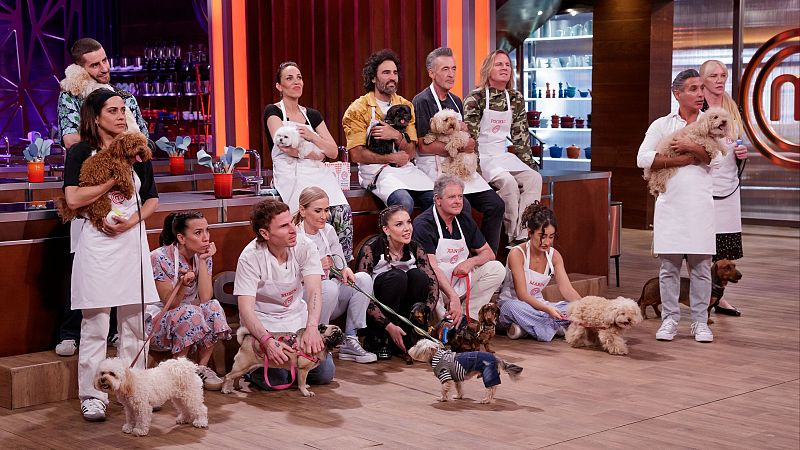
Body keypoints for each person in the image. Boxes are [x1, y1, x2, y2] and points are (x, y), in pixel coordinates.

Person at [63, 89, 159, 421]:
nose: (121, 115)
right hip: (97, 242)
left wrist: (131, 221)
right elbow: (73, 199)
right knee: (95, 325)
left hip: (131, 240)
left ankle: (135, 391)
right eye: (113, 110)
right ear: (96, 116)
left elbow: (151, 199)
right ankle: (92, 395)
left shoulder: (137, 149)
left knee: (134, 324)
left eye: (123, 110)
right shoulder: (80, 152)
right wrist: (111, 181)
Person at [55, 37, 149, 357]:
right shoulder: (70, 96)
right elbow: (71, 139)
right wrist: (108, 143)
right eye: (95, 65)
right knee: (84, 266)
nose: (104, 68)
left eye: (105, 61)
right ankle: (71, 331)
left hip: (126, 188)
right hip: (88, 182)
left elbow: (141, 142)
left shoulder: (124, 97)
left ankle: (114, 335)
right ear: (80, 70)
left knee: (123, 273)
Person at [636, 69, 717, 343]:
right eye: (693, 89)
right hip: (670, 206)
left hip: (700, 207)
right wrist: (677, 161)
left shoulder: (713, 122)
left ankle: (700, 322)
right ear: (678, 93)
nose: (700, 94)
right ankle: (669, 319)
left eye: (701, 89)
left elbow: (717, 160)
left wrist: (690, 146)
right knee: (669, 268)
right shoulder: (662, 124)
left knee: (701, 268)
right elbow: (642, 158)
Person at [412, 47, 505, 254]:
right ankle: (464, 258)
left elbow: (466, 136)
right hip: (435, 168)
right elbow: (423, 145)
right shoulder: (422, 101)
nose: (451, 74)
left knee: (496, 205)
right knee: (463, 208)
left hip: (461, 167)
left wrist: (467, 143)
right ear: (431, 73)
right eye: (445, 69)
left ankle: (488, 259)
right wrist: (457, 147)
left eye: (453, 68)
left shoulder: (456, 100)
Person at [233, 199, 334, 389]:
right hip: (266, 325)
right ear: (265, 233)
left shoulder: (305, 246)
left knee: (324, 374)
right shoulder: (250, 257)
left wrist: (312, 328)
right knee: (276, 380)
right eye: (284, 226)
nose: (293, 229)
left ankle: (293, 369)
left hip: (297, 322)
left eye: (292, 222)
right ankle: (253, 369)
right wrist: (267, 342)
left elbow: (314, 290)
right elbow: (246, 310)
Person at [265, 61, 355, 261]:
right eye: (289, 78)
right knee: (305, 216)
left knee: (341, 211)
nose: (296, 82)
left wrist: (312, 137)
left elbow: (332, 151)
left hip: (318, 171)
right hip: (291, 172)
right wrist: (315, 153)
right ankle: (308, 265)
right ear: (279, 86)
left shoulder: (313, 115)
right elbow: (285, 146)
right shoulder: (273, 112)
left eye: (299, 77)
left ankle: (342, 264)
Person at [463, 49, 543, 245]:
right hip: (483, 156)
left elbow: (521, 135)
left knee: (534, 178)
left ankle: (523, 233)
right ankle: (512, 236)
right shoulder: (476, 98)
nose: (504, 68)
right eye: (499, 64)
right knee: (508, 183)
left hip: (502, 154)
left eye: (507, 65)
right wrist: (476, 168)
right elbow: (469, 138)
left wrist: (530, 163)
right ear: (488, 69)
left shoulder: (515, 98)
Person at [342, 49, 434, 213]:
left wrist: (396, 135)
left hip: (406, 170)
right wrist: (392, 157)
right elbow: (356, 154)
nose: (392, 77)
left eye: (395, 73)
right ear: (373, 78)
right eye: (386, 72)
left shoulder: (406, 105)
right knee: (404, 202)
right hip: (376, 172)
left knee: (437, 201)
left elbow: (411, 152)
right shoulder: (357, 109)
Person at [148, 211, 231, 390]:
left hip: (188, 314)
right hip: (157, 321)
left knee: (213, 306)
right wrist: (183, 284)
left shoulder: (202, 255)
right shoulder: (159, 257)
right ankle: (180, 371)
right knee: (189, 312)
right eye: (198, 233)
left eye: (207, 231)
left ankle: (200, 368)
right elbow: (170, 303)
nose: (206, 238)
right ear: (181, 238)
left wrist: (203, 261)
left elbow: (205, 298)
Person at [293, 187, 377, 363]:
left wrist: (344, 270)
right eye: (318, 211)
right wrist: (314, 267)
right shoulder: (294, 236)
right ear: (302, 210)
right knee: (329, 287)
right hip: (303, 300)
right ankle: (318, 338)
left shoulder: (329, 231)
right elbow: (289, 279)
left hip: (329, 298)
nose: (324, 216)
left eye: (326, 210)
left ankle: (351, 339)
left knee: (362, 279)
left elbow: (340, 265)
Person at [411, 175, 505, 327]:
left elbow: (489, 253)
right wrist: (452, 296)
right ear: (437, 199)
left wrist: (470, 262)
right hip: (437, 288)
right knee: (426, 281)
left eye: (460, 196)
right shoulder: (424, 224)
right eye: (452, 197)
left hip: (460, 281)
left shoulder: (464, 219)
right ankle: (444, 322)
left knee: (497, 268)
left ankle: (468, 319)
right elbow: (431, 267)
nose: (458, 201)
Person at [355, 205, 439, 359]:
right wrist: (388, 325)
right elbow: (362, 293)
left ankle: (411, 334)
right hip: (379, 314)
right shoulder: (371, 248)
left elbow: (433, 284)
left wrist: (424, 312)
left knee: (418, 275)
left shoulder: (415, 247)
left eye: (408, 222)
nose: (407, 228)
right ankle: (379, 339)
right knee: (397, 277)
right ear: (386, 229)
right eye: (399, 224)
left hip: (405, 313)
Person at [700, 59, 748, 317]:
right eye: (714, 75)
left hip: (729, 186)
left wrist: (742, 153)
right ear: (703, 79)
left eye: (723, 75)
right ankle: (705, 297)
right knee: (704, 247)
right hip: (705, 184)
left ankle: (719, 298)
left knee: (725, 247)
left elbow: (738, 141)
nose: (720, 80)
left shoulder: (732, 107)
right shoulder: (698, 108)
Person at [497, 202, 581, 341]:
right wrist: (548, 310)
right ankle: (558, 327)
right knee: (511, 307)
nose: (546, 242)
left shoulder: (554, 256)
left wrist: (584, 308)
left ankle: (528, 329)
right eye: (542, 236)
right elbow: (522, 295)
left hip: (539, 307)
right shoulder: (517, 253)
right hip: (515, 306)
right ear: (530, 233)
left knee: (570, 307)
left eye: (551, 237)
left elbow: (567, 289)